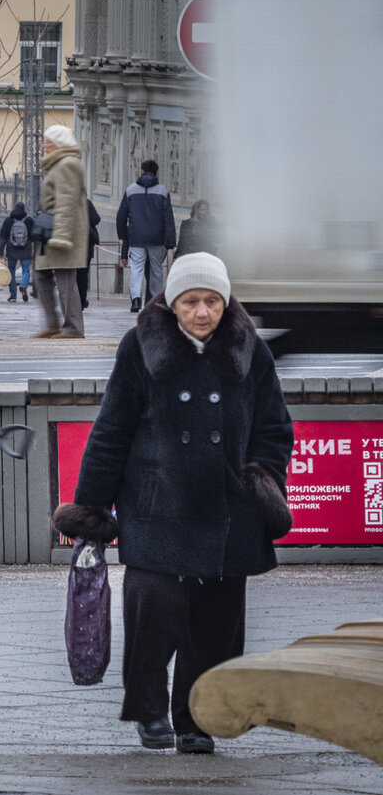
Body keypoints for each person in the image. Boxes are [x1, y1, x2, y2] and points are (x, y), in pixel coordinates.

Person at [53, 252, 294, 755]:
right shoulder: (140, 347)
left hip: (229, 510)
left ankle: (196, 719)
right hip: (155, 505)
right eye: (190, 302)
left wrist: (261, 479)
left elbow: (274, 429)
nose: (202, 313)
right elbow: (112, 431)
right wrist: (92, 508)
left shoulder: (250, 350)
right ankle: (148, 711)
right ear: (172, 302)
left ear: (225, 304)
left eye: (211, 302)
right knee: (153, 616)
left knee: (216, 628)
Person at [33, 124, 88, 339]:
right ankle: (54, 324)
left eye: (49, 142)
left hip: (63, 231)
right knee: (42, 274)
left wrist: (62, 236)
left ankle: (73, 327)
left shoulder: (67, 165)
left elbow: (66, 202)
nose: (45, 145)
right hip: (52, 228)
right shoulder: (58, 164)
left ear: (59, 144)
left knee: (65, 278)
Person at [116, 159, 176, 313]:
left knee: (136, 268)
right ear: (156, 173)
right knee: (156, 270)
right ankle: (155, 302)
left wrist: (124, 236)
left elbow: (121, 215)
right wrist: (170, 242)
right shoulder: (162, 191)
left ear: (141, 171)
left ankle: (136, 299)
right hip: (157, 238)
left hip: (136, 237)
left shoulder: (131, 190)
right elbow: (168, 218)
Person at [0, 201, 34, 303]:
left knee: (11, 270)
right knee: (26, 269)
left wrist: (0, 251)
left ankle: (13, 296)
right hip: (25, 249)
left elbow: (3, 237)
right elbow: (34, 235)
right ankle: (23, 285)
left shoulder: (9, 220)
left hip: (11, 249)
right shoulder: (29, 220)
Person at [79, 199, 101, 310]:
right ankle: (82, 301)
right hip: (86, 244)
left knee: (71, 276)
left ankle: (74, 301)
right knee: (83, 275)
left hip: (71, 245)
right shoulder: (86, 202)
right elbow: (96, 219)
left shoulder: (65, 201)